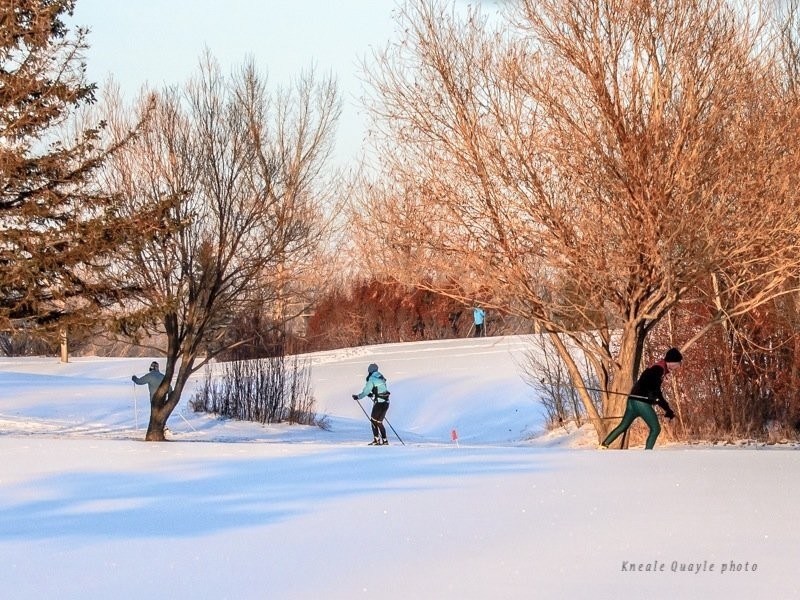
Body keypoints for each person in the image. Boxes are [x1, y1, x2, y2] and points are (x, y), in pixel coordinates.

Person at [600, 348, 682, 450]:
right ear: (672, 361)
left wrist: (652, 395)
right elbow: (656, 391)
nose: (677, 367)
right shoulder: (658, 369)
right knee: (656, 429)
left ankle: (603, 445)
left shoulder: (657, 368)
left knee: (623, 426)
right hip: (641, 403)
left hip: (632, 401)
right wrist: (666, 409)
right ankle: (647, 455)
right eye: (677, 363)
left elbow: (647, 383)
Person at [352, 363, 391, 445]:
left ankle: (376, 440)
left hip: (379, 403)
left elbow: (366, 391)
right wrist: (372, 394)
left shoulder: (372, 379)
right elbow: (380, 389)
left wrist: (358, 397)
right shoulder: (381, 377)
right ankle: (385, 440)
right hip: (386, 402)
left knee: (373, 421)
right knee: (379, 422)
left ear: (370, 371)